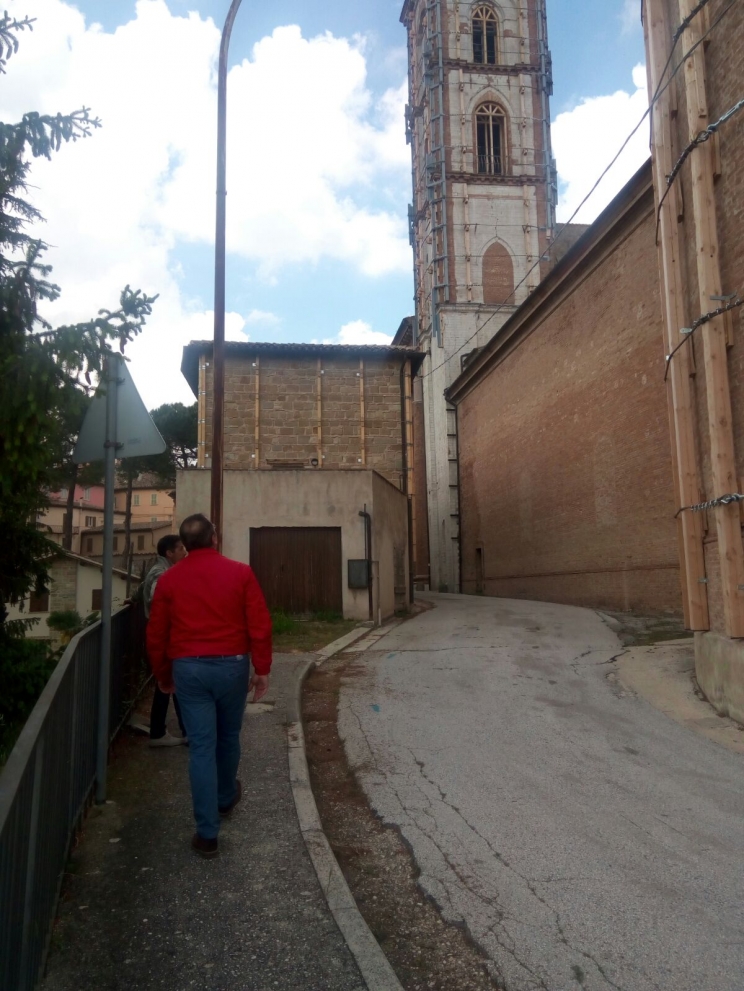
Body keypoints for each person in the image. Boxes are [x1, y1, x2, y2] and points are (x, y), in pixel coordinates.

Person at [146, 513, 272, 858]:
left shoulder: (170, 580)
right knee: (228, 737)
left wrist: (163, 674)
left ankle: (207, 835)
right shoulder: (240, 573)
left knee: (201, 747)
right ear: (214, 538)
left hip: (189, 669)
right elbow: (259, 623)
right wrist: (262, 669)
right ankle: (225, 798)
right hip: (232, 666)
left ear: (185, 545)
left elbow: (156, 633)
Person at [143, 533, 189, 747]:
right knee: (173, 682)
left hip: (164, 634)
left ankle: (160, 731)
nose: (184, 552)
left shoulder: (161, 569)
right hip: (166, 635)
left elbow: (141, 588)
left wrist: (133, 599)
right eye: (180, 549)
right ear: (169, 553)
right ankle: (178, 731)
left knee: (169, 683)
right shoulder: (161, 574)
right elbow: (157, 597)